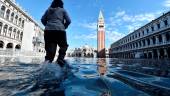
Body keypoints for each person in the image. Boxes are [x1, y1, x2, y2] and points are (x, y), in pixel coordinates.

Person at [41, 0, 71, 67]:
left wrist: (47, 25)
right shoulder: (63, 10)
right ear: (61, 4)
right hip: (60, 30)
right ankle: (60, 60)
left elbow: (42, 20)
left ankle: (46, 65)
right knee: (63, 46)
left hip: (48, 31)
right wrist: (64, 26)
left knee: (50, 51)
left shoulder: (48, 10)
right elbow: (69, 21)